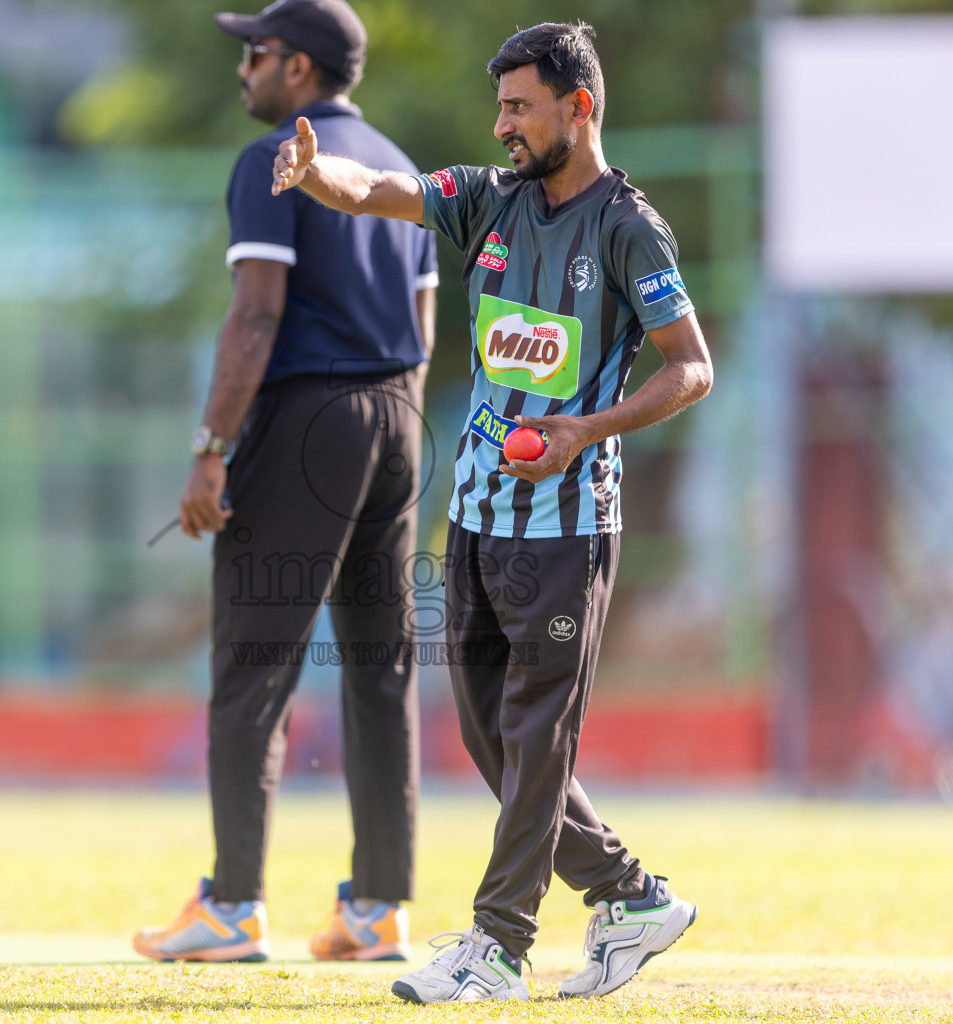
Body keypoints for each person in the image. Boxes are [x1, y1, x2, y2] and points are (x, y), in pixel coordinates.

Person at [270, 21, 713, 1002]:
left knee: (537, 733)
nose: (503, 124)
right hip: (475, 523)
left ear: (578, 107)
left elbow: (692, 366)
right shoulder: (487, 200)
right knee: (492, 740)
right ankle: (631, 898)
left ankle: (499, 944)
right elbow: (380, 192)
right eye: (501, 106)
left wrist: (583, 429)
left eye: (520, 106)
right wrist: (314, 176)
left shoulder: (627, 228)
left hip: (567, 531)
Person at [133, 0, 437, 965]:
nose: (245, 72)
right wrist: (394, 436)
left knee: (253, 666)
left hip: (312, 416)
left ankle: (229, 908)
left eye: (256, 54)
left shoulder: (279, 163)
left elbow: (256, 316)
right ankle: (379, 909)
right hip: (400, 416)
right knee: (382, 672)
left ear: (299, 69)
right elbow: (426, 330)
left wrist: (210, 444)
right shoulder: (401, 168)